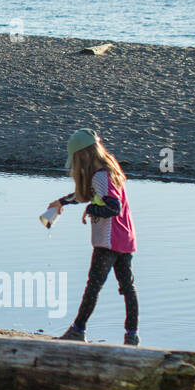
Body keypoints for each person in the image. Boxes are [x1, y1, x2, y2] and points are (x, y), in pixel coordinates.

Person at [47, 129, 140, 346]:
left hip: (108, 241)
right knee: (127, 286)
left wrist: (91, 211)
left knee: (94, 285)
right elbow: (87, 194)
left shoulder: (99, 176)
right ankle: (132, 335)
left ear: (83, 157)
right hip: (125, 238)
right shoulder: (110, 169)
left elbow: (112, 207)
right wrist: (62, 202)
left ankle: (78, 330)